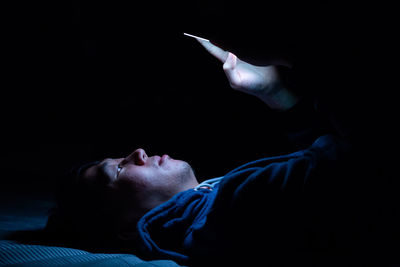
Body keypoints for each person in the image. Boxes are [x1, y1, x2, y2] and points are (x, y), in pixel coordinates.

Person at [46, 38, 377, 266]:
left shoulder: (215, 209)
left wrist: (274, 91)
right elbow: (366, 158)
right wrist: (295, 54)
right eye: (117, 171)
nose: (138, 151)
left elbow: (326, 163)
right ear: (125, 229)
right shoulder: (228, 211)